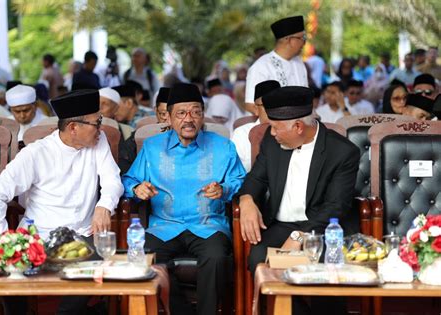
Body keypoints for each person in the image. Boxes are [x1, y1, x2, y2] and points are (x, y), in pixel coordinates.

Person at [0, 89, 123, 314]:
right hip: (37, 238)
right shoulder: (37, 153)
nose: (101, 127)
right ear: (73, 127)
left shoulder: (98, 140)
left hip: (81, 238)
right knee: (8, 276)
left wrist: (104, 205)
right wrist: (1, 240)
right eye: (97, 122)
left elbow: (112, 180)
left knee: (90, 273)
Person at [123, 83, 245, 315]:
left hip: (208, 224)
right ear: (168, 118)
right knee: (144, 257)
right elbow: (128, 181)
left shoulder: (223, 147)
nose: (189, 119)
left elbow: (240, 180)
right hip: (164, 225)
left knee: (217, 258)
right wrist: (138, 188)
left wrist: (225, 189)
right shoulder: (152, 147)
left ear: (202, 116)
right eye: (181, 113)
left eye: (195, 112)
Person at [238, 86, 359, 315]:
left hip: (323, 229)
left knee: (327, 264)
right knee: (258, 257)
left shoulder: (342, 151)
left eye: (276, 127)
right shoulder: (272, 141)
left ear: (298, 126)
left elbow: (336, 206)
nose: (271, 133)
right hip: (281, 225)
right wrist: (246, 200)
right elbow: (256, 178)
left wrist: (299, 237)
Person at [245, 16, 308, 108]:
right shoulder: (261, 66)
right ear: (289, 40)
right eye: (302, 38)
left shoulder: (299, 63)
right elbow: (251, 105)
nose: (304, 42)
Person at [232, 80, 280, 172]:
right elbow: (234, 173)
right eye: (267, 105)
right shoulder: (241, 134)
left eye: (277, 104)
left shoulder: (290, 131)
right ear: (256, 109)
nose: (272, 110)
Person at [120, 87, 170, 174]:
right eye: (163, 114)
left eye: (175, 114)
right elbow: (124, 165)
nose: (168, 120)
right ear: (155, 110)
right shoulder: (141, 136)